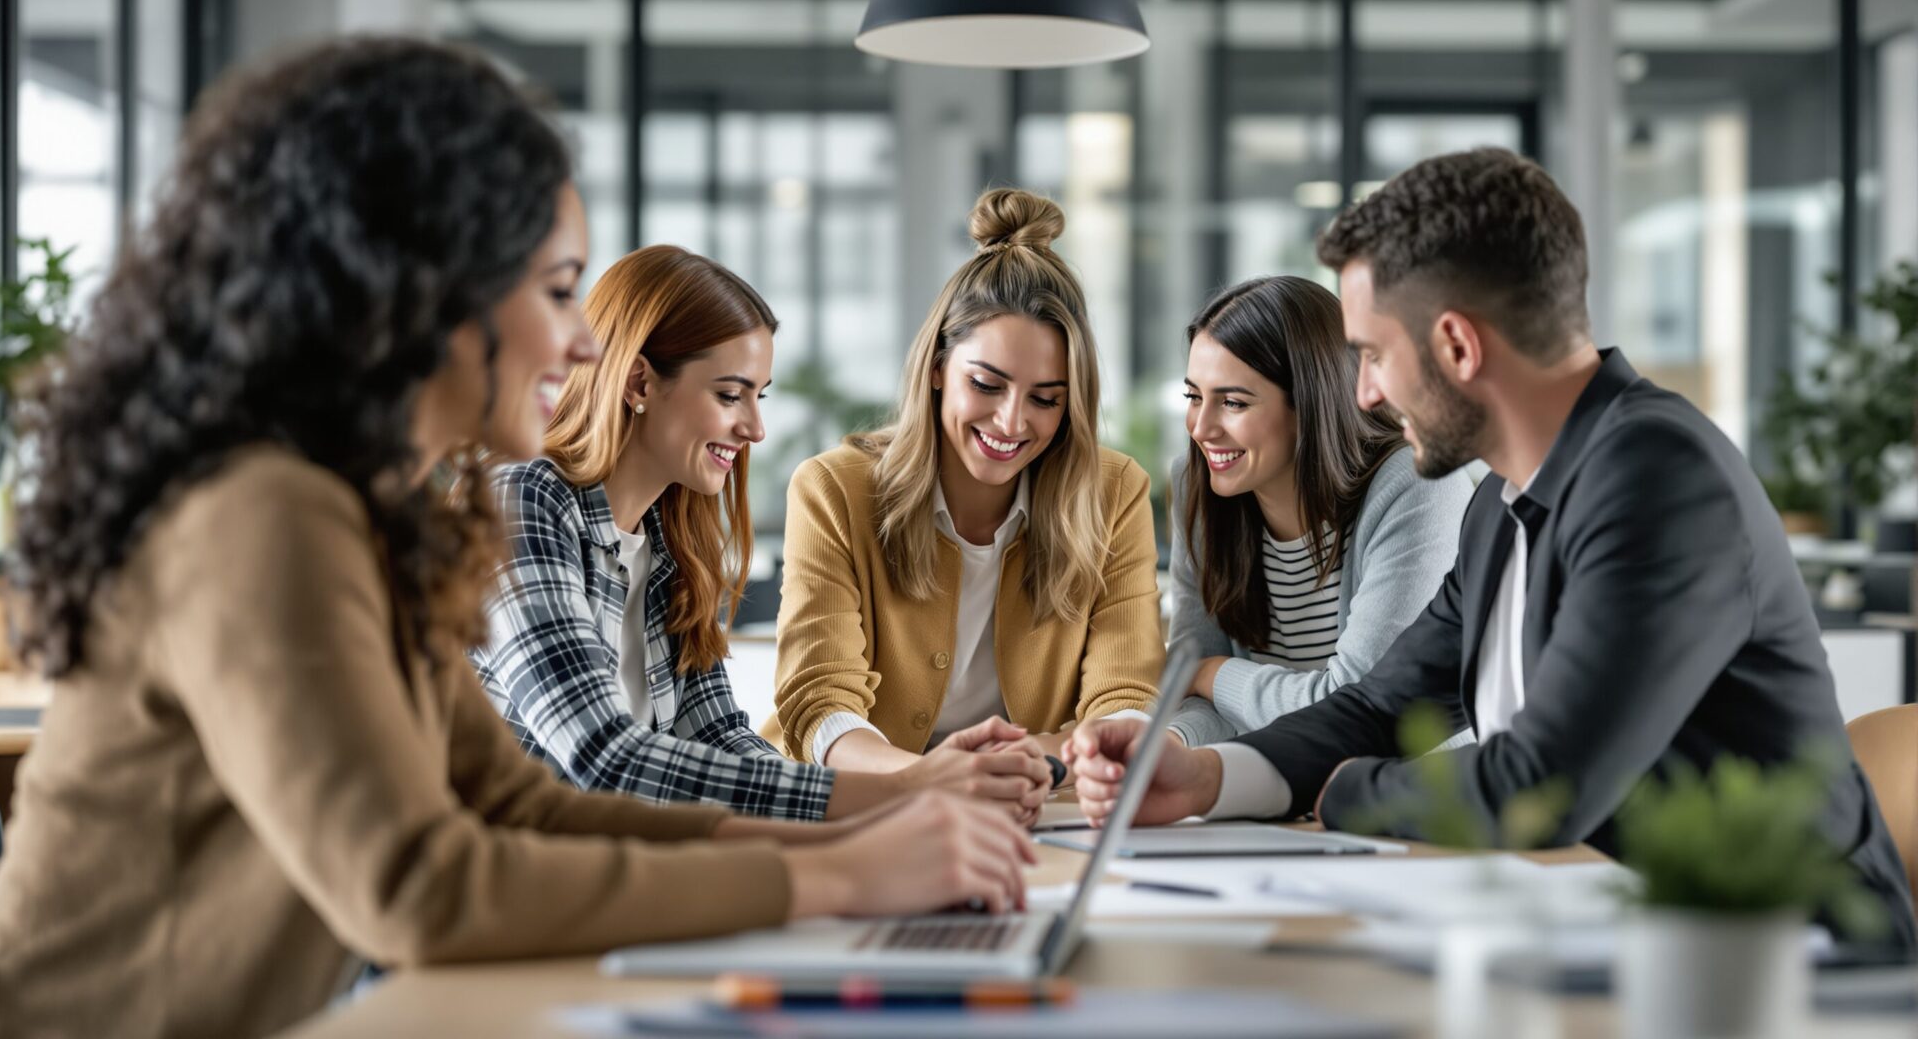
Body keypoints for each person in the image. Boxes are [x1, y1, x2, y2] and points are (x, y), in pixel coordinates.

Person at [0, 38, 1032, 1039]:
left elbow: (518, 802)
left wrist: (869, 828)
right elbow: (417, 885)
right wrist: (841, 871)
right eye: (552, 290)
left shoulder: (362, 513)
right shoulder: (260, 511)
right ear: (425, 293)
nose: (583, 340)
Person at [1066, 147, 1917, 952]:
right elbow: (1378, 707)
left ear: (1459, 347)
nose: (1360, 392)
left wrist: (1350, 792)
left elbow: (1543, 785)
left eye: (1369, 355)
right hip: (1604, 926)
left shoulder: (1656, 475)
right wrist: (1202, 775)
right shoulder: (1500, 502)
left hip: (1782, 962)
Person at [474, 245, 1041, 822]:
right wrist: (905, 793)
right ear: (640, 382)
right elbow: (603, 757)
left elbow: (719, 736)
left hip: (625, 876)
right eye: (729, 395)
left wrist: (913, 789)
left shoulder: (670, 536)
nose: (756, 428)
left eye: (758, 395)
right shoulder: (520, 503)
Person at [769, 188, 1164, 816]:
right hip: (857, 808)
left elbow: (1124, 697)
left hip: (1036, 809)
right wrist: (932, 781)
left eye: (1046, 398)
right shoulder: (833, 490)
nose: (1011, 421)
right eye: (987, 384)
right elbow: (820, 703)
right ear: (936, 368)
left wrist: (1027, 768)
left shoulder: (1114, 494)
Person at [1166, 275, 1472, 747]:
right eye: (1193, 396)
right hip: (1271, 789)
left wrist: (1216, 674)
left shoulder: (1418, 487)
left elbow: (1360, 707)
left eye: (1232, 402)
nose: (1201, 427)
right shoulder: (1199, 489)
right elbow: (1190, 689)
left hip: (1411, 800)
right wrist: (1173, 745)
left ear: (1310, 403)